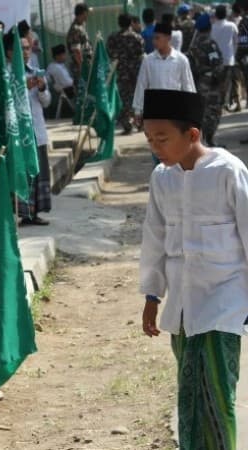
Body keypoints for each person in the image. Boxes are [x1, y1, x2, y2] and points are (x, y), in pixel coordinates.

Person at [139, 88, 246, 450]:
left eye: (163, 138)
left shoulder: (228, 171)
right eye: (150, 138)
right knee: (189, 397)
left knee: (218, 397)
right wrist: (152, 296)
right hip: (182, 307)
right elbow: (154, 238)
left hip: (225, 300)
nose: (155, 146)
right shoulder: (162, 178)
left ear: (192, 135)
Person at [8, 34, 52, 224]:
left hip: (37, 131)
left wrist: (41, 88)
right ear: (10, 53)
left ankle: (35, 212)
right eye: (21, 49)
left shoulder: (35, 71)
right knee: (23, 171)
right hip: (19, 133)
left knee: (38, 170)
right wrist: (22, 86)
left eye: (28, 48)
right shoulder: (6, 74)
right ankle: (24, 213)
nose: (26, 52)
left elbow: (47, 101)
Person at [132, 22, 196, 126]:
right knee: (157, 140)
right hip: (155, 110)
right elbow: (141, 85)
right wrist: (138, 110)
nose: (154, 41)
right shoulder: (148, 60)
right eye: (153, 38)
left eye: (157, 38)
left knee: (175, 140)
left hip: (176, 108)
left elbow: (187, 85)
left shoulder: (181, 60)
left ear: (168, 38)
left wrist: (192, 110)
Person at [188, 14, 225, 146]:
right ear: (209, 27)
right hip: (210, 83)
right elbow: (217, 63)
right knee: (213, 111)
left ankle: (202, 141)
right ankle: (210, 139)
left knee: (201, 112)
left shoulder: (193, 46)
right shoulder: (210, 43)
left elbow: (190, 68)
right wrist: (218, 78)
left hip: (197, 84)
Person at [107, 13, 145, 133]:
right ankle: (140, 124)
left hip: (122, 73)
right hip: (136, 73)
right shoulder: (137, 37)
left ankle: (127, 125)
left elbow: (110, 54)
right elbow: (141, 54)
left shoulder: (113, 38)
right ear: (130, 23)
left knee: (123, 99)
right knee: (138, 98)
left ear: (119, 23)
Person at [212, 5, 241, 111]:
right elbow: (236, 41)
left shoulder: (213, 27)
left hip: (217, 60)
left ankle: (221, 104)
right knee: (229, 82)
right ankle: (227, 104)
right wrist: (234, 53)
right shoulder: (231, 25)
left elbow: (212, 44)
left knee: (219, 83)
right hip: (229, 59)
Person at [67, 3, 92, 84]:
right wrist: (82, 69)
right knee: (82, 91)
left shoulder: (81, 26)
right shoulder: (75, 29)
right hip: (80, 67)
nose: (87, 16)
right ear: (82, 13)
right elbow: (76, 51)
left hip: (85, 64)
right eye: (86, 13)